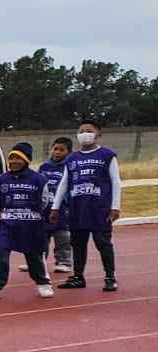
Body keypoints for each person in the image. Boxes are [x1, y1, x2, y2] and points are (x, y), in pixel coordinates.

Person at [51, 119, 123, 292]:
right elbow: (63, 184)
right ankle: (78, 276)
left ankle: (110, 277)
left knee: (103, 243)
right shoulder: (72, 158)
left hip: (100, 209)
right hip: (77, 209)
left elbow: (116, 181)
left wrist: (115, 206)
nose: (85, 133)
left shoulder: (107, 155)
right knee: (78, 244)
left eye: (89, 130)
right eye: (81, 130)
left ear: (98, 134)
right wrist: (55, 207)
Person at [0, 143, 55, 301]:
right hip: (7, 225)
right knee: (0, 252)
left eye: (18, 158)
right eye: (11, 158)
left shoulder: (38, 179)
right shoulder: (1, 179)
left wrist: (31, 214)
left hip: (31, 225)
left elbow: (45, 201)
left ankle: (42, 282)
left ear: (26, 160)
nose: (13, 161)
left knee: (34, 255)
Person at [40, 137, 76, 273]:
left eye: (62, 150)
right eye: (55, 149)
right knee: (41, 237)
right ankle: (38, 260)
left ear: (69, 152)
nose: (57, 152)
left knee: (63, 238)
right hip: (45, 209)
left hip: (62, 210)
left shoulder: (70, 167)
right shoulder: (44, 166)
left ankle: (64, 261)